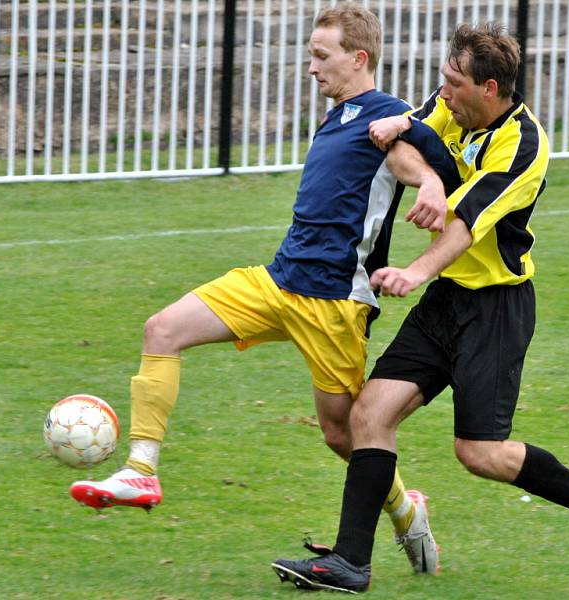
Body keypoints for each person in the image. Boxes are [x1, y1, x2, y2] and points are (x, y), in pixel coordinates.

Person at [271, 22, 569, 593]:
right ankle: (351, 563)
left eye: (455, 84)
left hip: (496, 309)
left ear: (491, 89)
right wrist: (406, 130)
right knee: (368, 417)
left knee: (479, 453)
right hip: (448, 301)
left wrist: (414, 271)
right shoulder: (449, 105)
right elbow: (415, 122)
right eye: (443, 80)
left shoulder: (522, 145)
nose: (443, 92)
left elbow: (469, 223)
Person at [69, 2, 446, 575]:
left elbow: (408, 160)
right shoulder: (339, 115)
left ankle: (404, 511)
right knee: (162, 329)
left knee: (344, 436)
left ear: (358, 58)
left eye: (322, 57)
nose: (312, 67)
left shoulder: (385, 117)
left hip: (333, 303)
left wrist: (434, 185)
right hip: (278, 279)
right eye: (310, 56)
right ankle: (141, 471)